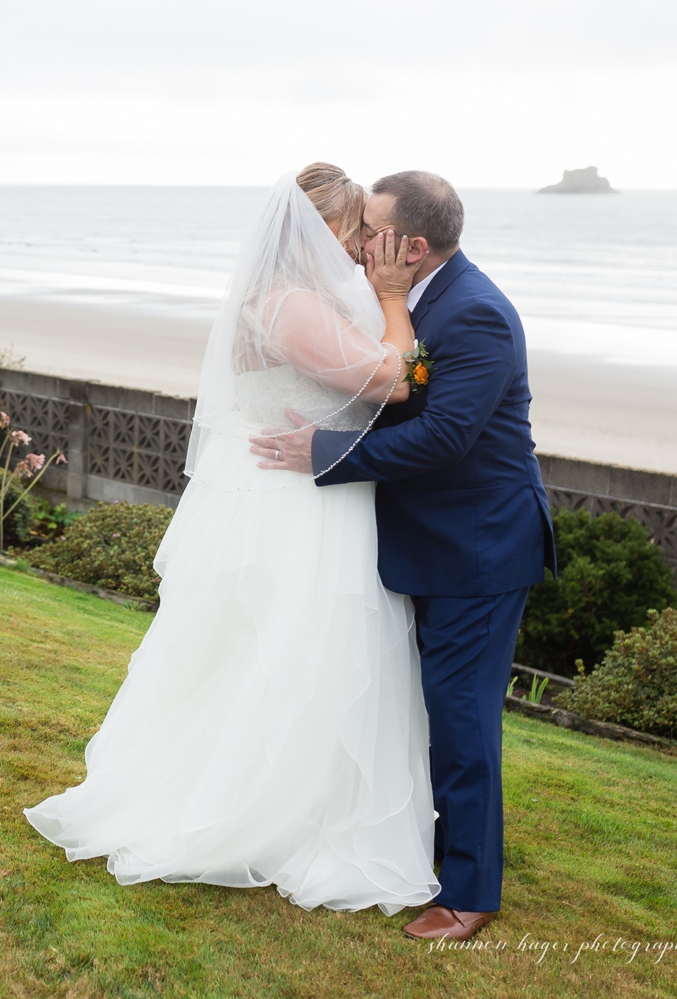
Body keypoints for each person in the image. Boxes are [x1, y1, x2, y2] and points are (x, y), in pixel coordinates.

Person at [24, 164, 441, 915]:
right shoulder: (288, 306)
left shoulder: (293, 298)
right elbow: (394, 380)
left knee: (278, 651)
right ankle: (261, 811)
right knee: (287, 649)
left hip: (297, 493)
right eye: (355, 232)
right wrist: (391, 300)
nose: (363, 248)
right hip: (294, 508)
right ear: (324, 232)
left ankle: (302, 796)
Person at [249, 170, 556, 941]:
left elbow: (445, 435)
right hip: (425, 540)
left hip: (477, 549)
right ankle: (427, 843)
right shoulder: (405, 298)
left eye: (373, 233)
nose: (359, 248)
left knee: (460, 715)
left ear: (412, 247)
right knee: (425, 709)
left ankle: (470, 893)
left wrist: (323, 447)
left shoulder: (477, 313)